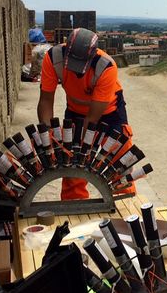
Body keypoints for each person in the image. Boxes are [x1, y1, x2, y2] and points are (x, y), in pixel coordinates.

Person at [37, 28, 135, 200]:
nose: (75, 72)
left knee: (118, 159)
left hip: (109, 112)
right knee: (70, 161)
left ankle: (124, 205)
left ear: (92, 56)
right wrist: (49, 137)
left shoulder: (106, 66)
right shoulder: (53, 58)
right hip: (75, 111)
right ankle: (74, 204)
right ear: (66, 50)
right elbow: (46, 101)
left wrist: (81, 149)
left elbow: (92, 119)